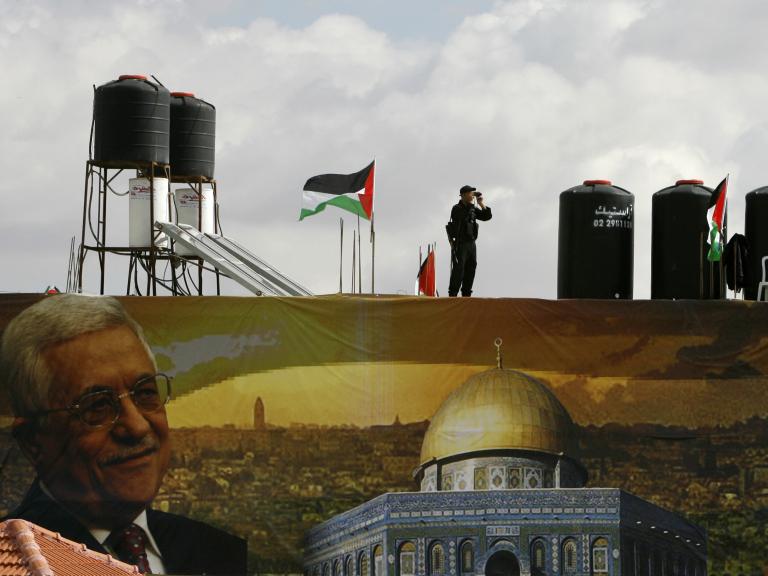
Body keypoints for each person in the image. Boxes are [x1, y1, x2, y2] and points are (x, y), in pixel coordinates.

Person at [0, 294, 247, 575]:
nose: (138, 426)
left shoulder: (219, 551)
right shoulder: (17, 559)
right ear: (33, 441)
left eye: (145, 392)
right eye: (98, 407)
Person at [447, 185, 492, 297]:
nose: (472, 195)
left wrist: (481, 203)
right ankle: (453, 294)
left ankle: (466, 293)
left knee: (471, 267)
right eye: (470, 193)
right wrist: (471, 205)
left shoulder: (472, 208)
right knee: (459, 268)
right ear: (463, 195)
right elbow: (462, 215)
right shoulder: (456, 208)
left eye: (473, 193)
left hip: (471, 243)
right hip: (460, 243)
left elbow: (487, 216)